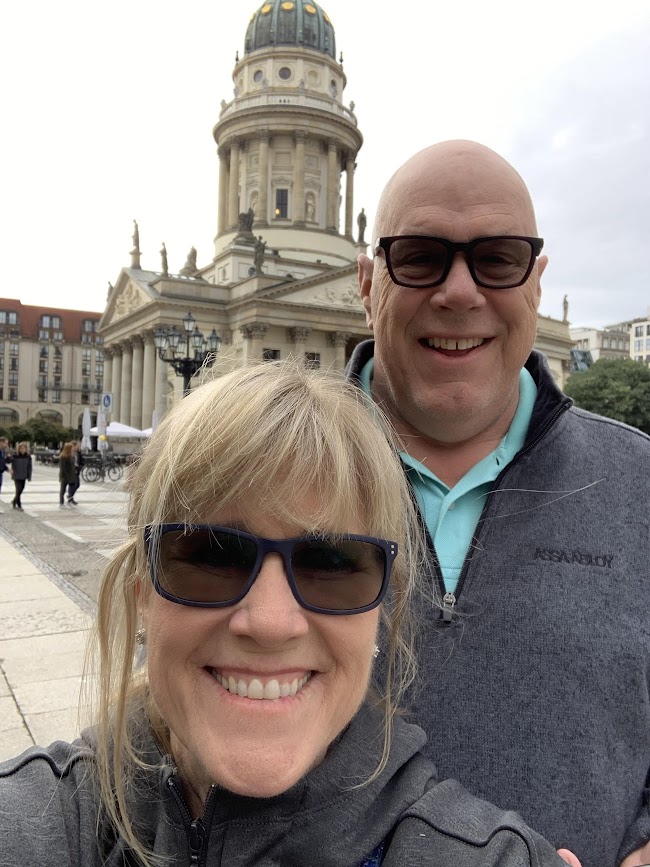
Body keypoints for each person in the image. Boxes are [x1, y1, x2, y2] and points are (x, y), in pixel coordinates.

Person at [0, 364, 579, 867]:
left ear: (380, 610)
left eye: (332, 563)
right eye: (212, 555)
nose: (271, 622)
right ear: (141, 596)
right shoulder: (33, 823)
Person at [353, 140, 650, 867]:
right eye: (419, 256)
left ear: (537, 285)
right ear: (366, 282)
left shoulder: (639, 482)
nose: (460, 293)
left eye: (498, 258)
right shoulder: (262, 477)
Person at [9, 442, 32, 511]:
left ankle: (14, 501)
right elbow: (8, 461)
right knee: (18, 490)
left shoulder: (28, 457)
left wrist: (29, 476)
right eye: (21, 449)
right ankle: (19, 504)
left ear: (26, 449)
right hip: (16, 475)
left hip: (23, 476)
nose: (22, 450)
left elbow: (29, 467)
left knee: (21, 489)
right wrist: (8, 457)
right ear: (18, 449)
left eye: (24, 449)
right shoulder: (15, 456)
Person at [58, 441, 78, 506]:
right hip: (65, 475)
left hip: (71, 475)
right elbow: (63, 468)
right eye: (71, 448)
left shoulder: (71, 456)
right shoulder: (63, 457)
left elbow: (72, 465)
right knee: (63, 489)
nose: (73, 449)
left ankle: (70, 499)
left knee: (73, 486)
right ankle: (61, 501)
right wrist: (66, 475)